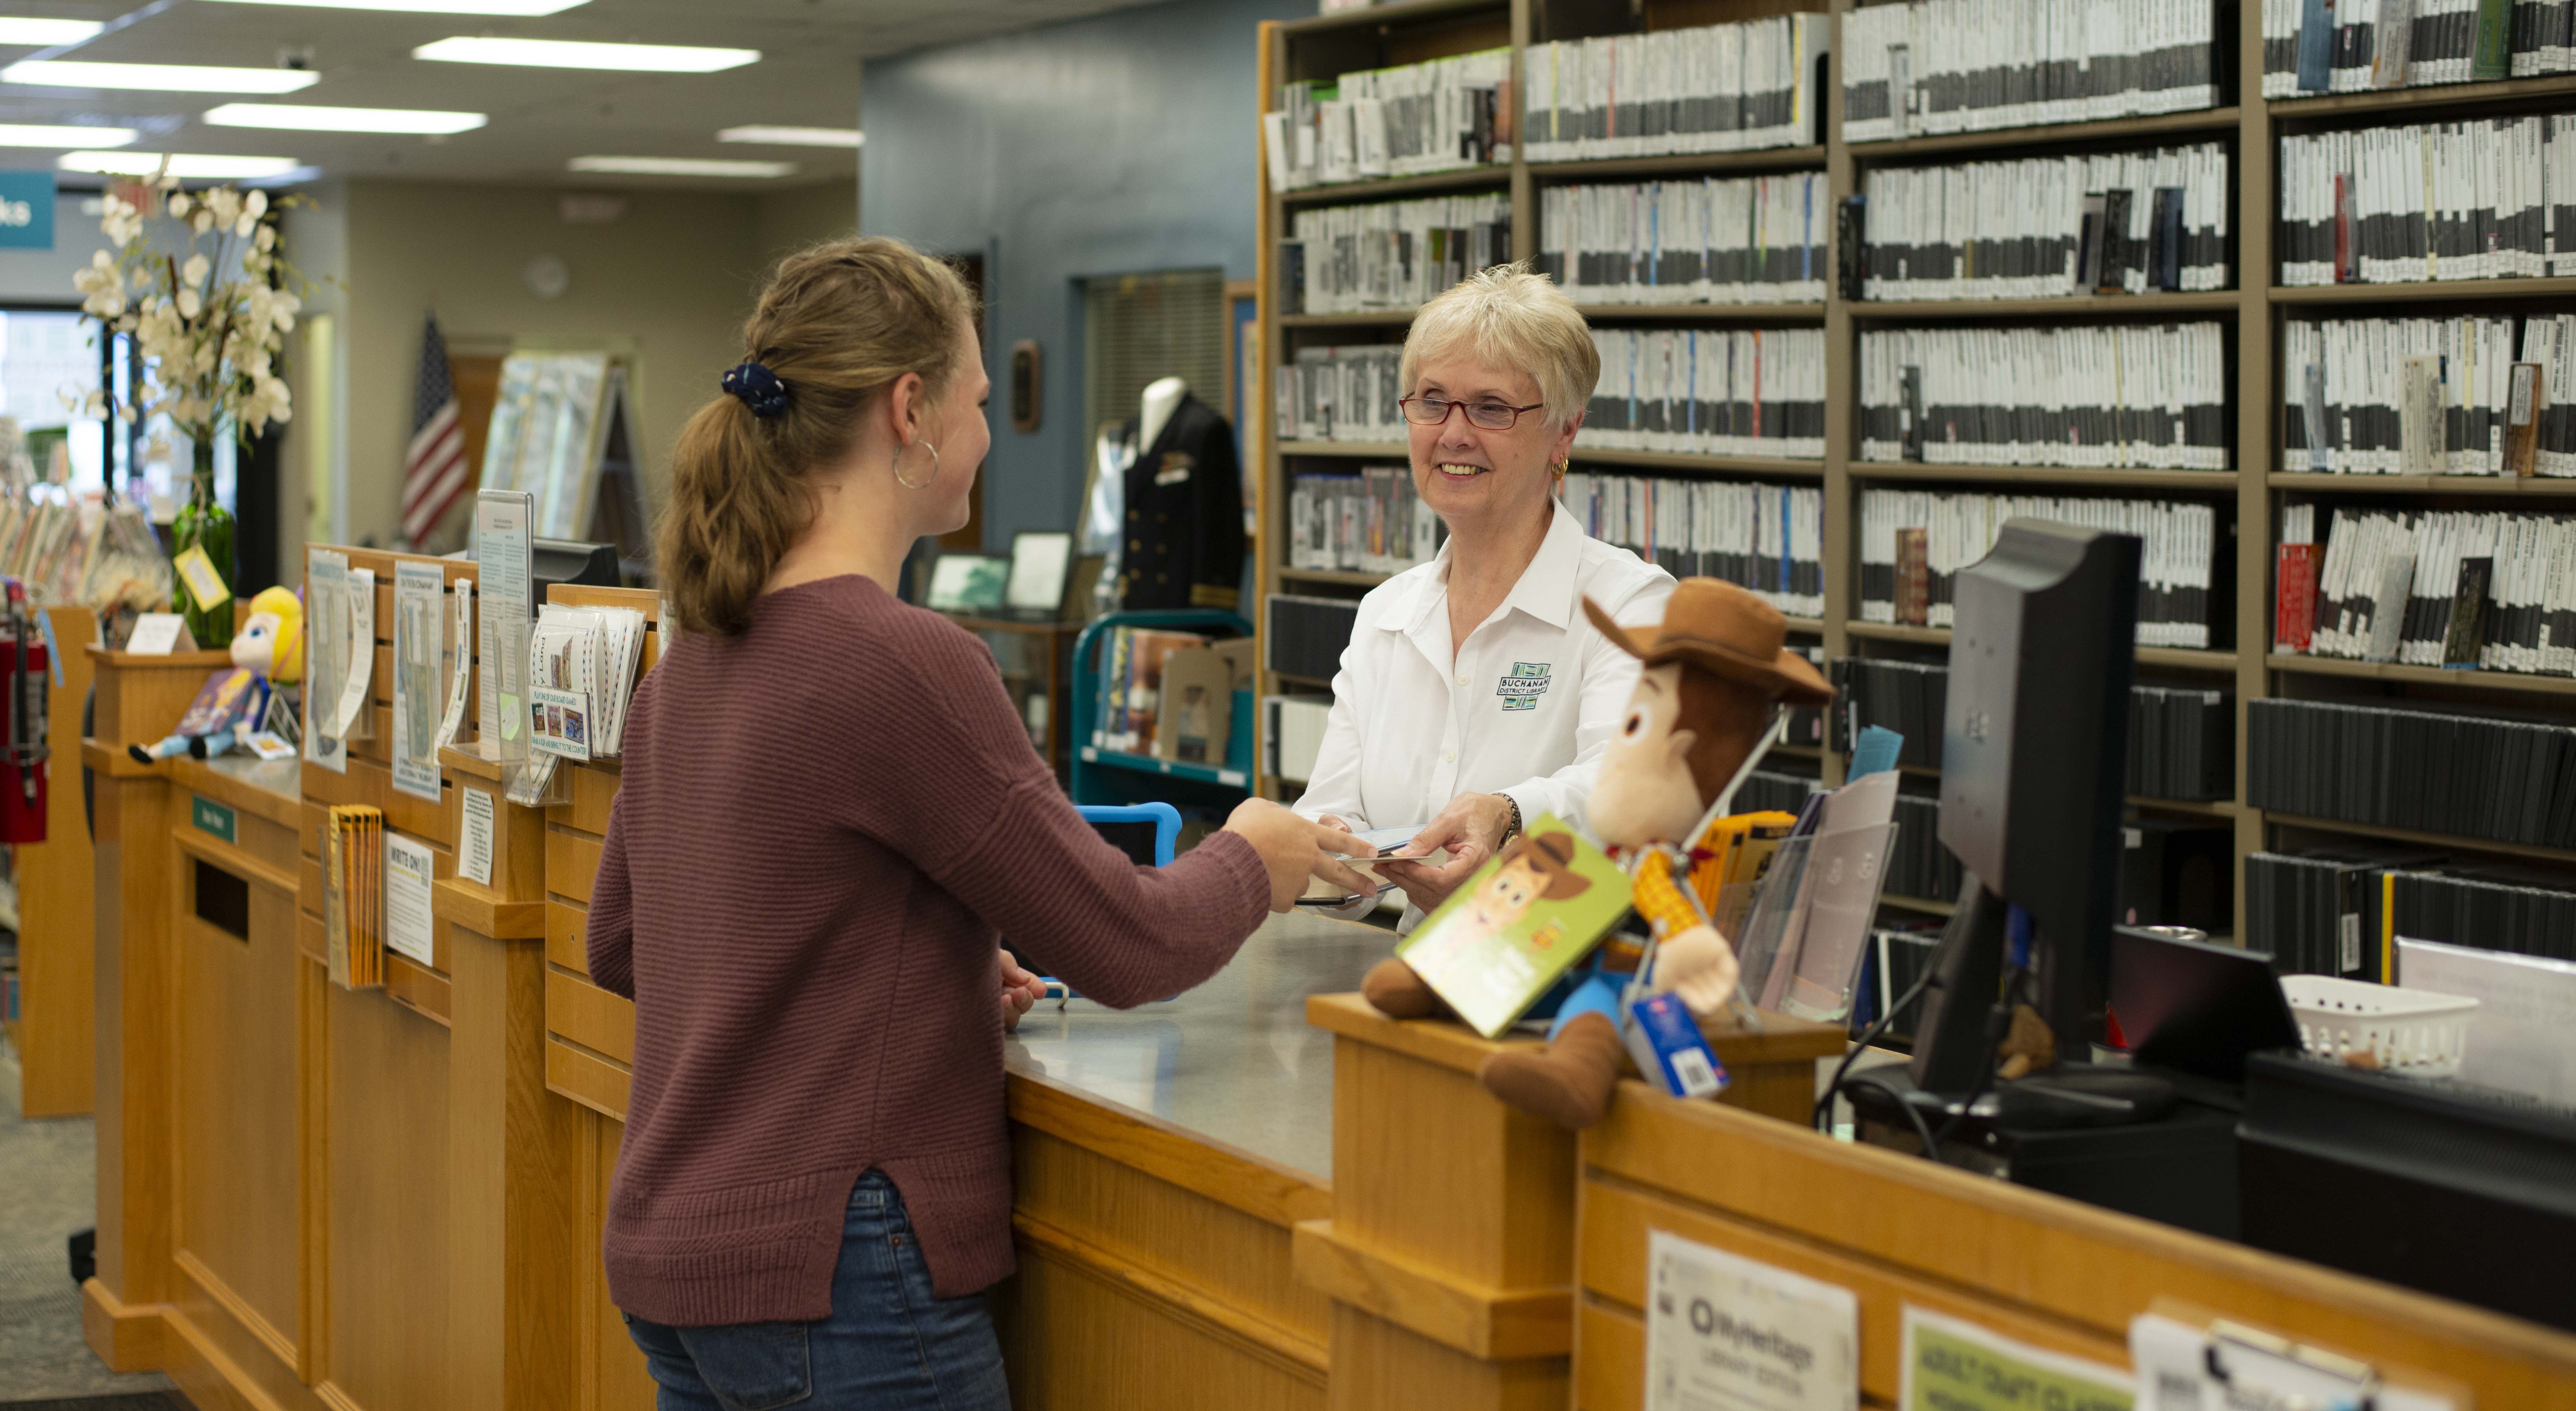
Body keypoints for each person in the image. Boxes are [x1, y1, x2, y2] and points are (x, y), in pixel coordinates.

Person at [585, 236, 1361, 1411]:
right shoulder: (902, 662)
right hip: (838, 1277)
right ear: (911, 410)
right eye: (981, 401)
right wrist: (1259, 856)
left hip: (678, 1261)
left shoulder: (690, 661)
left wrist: (918, 965)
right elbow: (1127, 944)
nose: (990, 435)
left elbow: (630, 944)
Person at [1291, 263, 1676, 919]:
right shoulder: (1384, 614)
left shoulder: (1628, 605)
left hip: (1551, 984)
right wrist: (1301, 849)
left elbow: (1631, 793)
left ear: (1565, 430)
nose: (1454, 433)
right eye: (1432, 400)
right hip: (1393, 976)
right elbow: (1333, 816)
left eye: (1492, 407)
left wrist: (1509, 811)